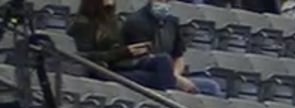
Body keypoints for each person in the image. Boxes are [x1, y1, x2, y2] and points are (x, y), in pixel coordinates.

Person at [68, 0, 221, 95]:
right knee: (162, 66)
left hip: (124, 65)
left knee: (164, 62)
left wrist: (129, 52)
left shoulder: (113, 22)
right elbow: (85, 57)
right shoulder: (83, 24)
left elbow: (179, 55)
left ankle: (173, 86)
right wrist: (124, 52)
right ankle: (173, 93)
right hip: (107, 72)